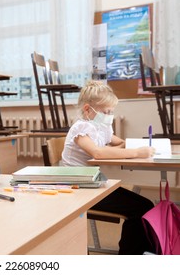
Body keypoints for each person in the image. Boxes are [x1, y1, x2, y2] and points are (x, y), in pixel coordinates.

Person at [62, 80, 155, 255]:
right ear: (88, 110)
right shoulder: (81, 128)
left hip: (93, 183)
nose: (109, 115)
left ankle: (139, 252)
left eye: (111, 112)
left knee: (145, 205)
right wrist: (135, 152)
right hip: (79, 188)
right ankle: (130, 257)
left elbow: (120, 143)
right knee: (141, 208)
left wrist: (131, 147)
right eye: (106, 112)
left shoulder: (101, 127)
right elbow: (97, 152)